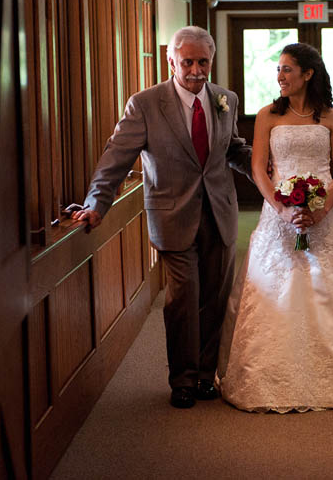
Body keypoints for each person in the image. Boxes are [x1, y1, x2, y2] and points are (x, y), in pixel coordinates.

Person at [72, 26, 252, 409]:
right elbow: (115, 159)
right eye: (188, 62)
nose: (196, 70)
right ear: (172, 60)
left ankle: (206, 376)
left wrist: (269, 178)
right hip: (172, 216)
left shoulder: (226, 99)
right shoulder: (145, 103)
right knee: (183, 297)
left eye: (203, 61)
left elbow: (232, 148)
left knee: (215, 297)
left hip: (220, 212)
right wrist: (96, 203)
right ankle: (183, 380)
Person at [217, 43, 333, 412]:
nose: (280, 76)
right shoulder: (267, 115)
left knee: (325, 281)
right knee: (279, 282)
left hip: (324, 212)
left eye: (287, 69)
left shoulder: (332, 117)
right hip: (279, 211)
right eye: (278, 69)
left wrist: (321, 209)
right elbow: (258, 168)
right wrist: (281, 208)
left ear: (308, 74)